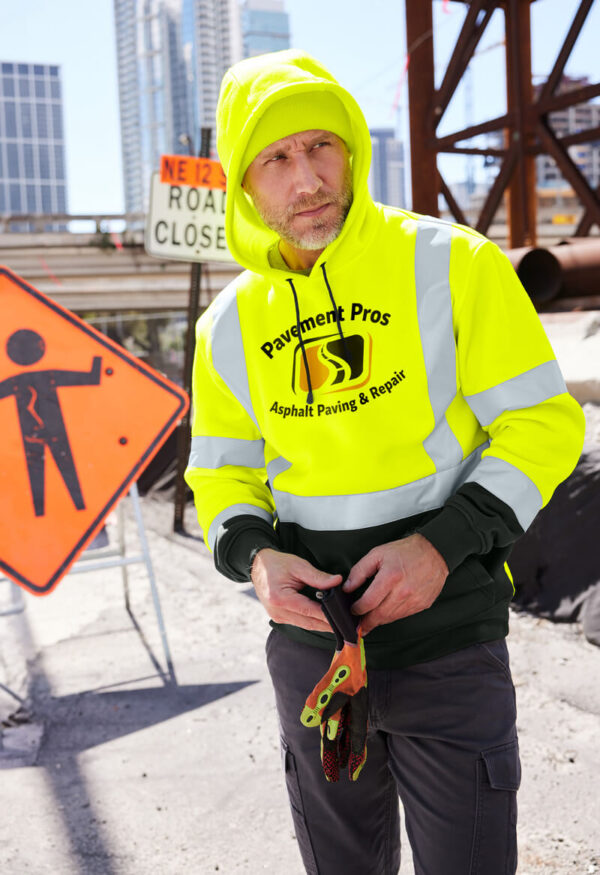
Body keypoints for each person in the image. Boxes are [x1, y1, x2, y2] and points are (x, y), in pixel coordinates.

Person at [185, 49, 585, 875]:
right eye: (277, 158)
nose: (308, 179)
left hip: (447, 641)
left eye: (322, 146)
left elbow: (544, 424)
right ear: (244, 186)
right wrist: (257, 560)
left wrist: (441, 545)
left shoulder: (454, 265)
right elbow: (221, 474)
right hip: (313, 658)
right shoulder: (226, 326)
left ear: (354, 150)